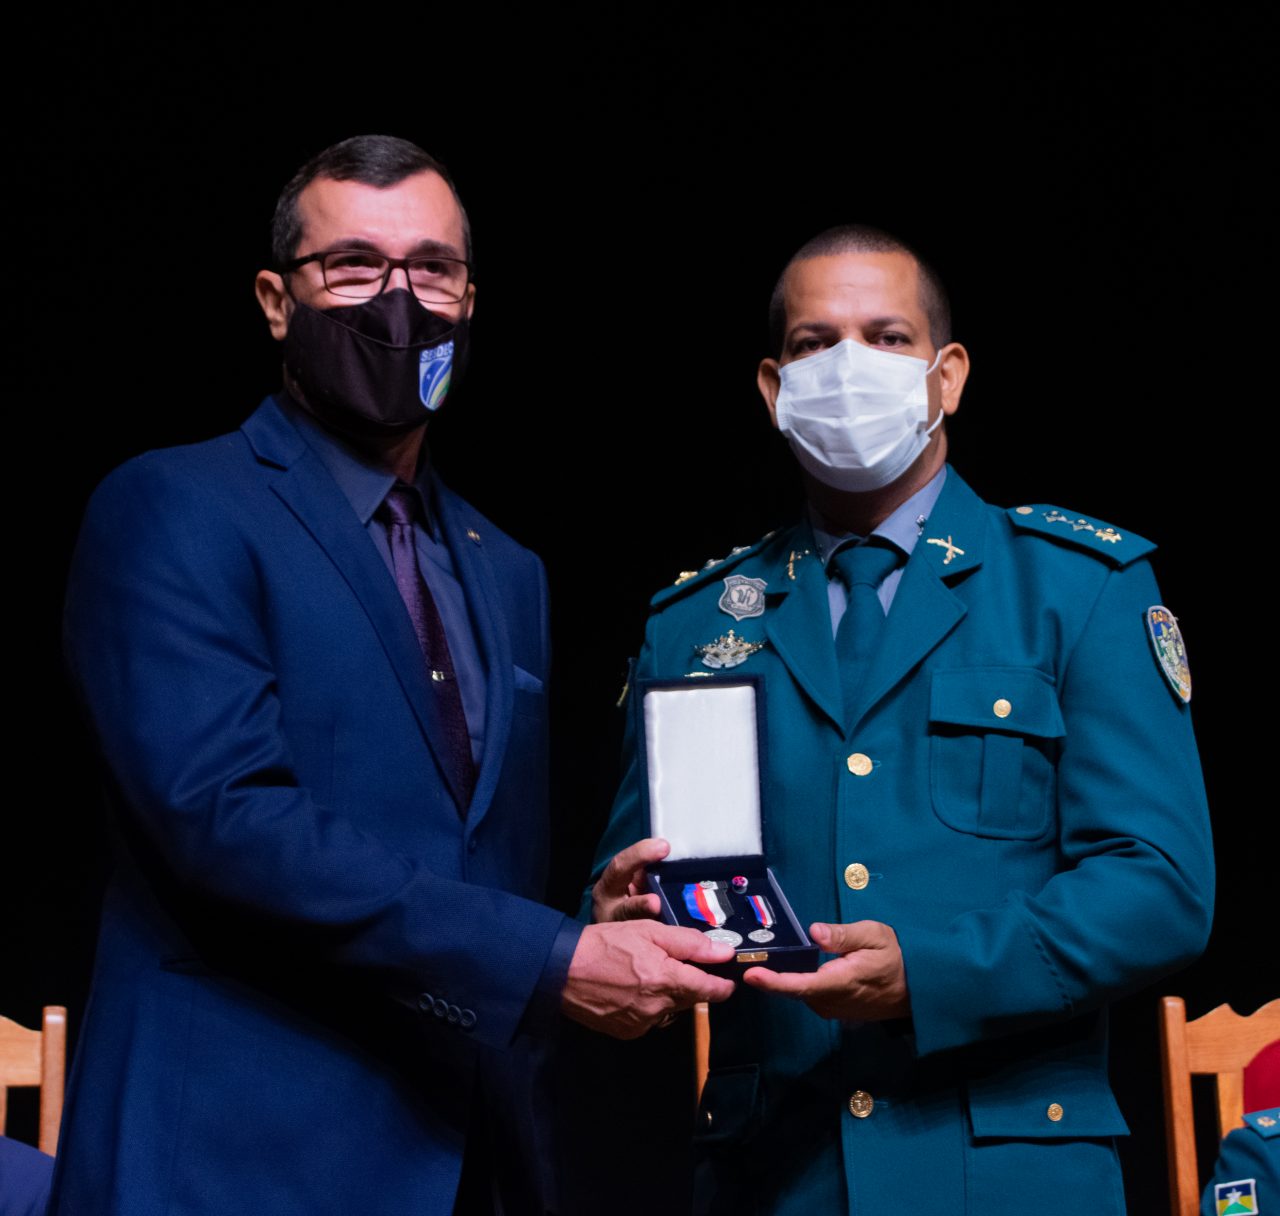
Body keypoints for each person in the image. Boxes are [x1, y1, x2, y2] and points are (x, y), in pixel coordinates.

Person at [53, 135, 733, 1216]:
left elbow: (465, 858)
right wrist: (548, 955)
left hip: (468, 1157)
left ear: (470, 301)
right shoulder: (174, 507)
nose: (399, 301)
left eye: (432, 269)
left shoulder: (508, 568)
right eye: (354, 267)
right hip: (232, 1160)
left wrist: (581, 921)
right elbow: (224, 820)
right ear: (277, 300)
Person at [586, 225, 1214, 1214]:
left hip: (1008, 1173)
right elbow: (635, 879)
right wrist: (619, 919)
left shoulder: (1075, 587)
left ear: (946, 375)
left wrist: (929, 972)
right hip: (772, 1176)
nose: (847, 367)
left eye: (885, 337)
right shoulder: (695, 625)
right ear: (772, 388)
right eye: (813, 344)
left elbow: (1159, 886)